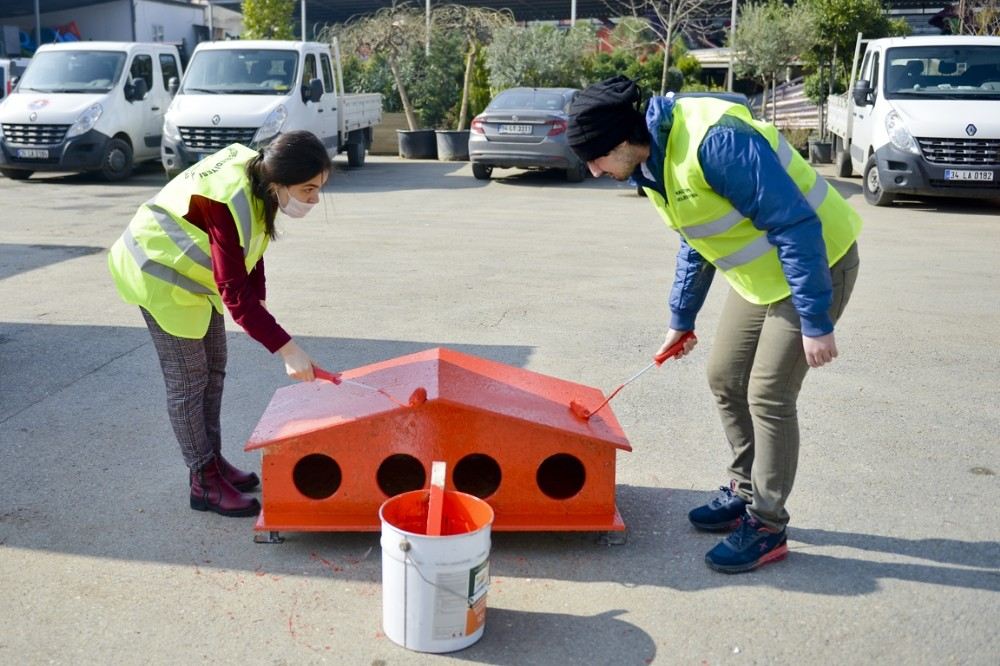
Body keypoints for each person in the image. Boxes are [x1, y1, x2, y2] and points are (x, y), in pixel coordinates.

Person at [567, 77, 861, 573]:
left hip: (818, 264)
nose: (595, 172)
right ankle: (743, 491)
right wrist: (680, 319)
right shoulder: (651, 163)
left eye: (595, 160)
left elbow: (794, 224)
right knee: (724, 376)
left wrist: (815, 319)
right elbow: (696, 237)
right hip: (763, 278)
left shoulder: (715, 143)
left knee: (768, 393)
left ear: (620, 143)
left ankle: (767, 525)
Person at [108, 131, 331, 518]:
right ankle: (203, 481)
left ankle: (212, 461)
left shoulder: (259, 177)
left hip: (191, 274)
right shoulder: (227, 199)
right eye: (308, 189)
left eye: (318, 189)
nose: (314, 199)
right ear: (279, 182)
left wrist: (258, 294)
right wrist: (287, 349)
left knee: (214, 369)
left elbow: (252, 245)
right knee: (188, 381)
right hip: (156, 271)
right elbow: (234, 293)